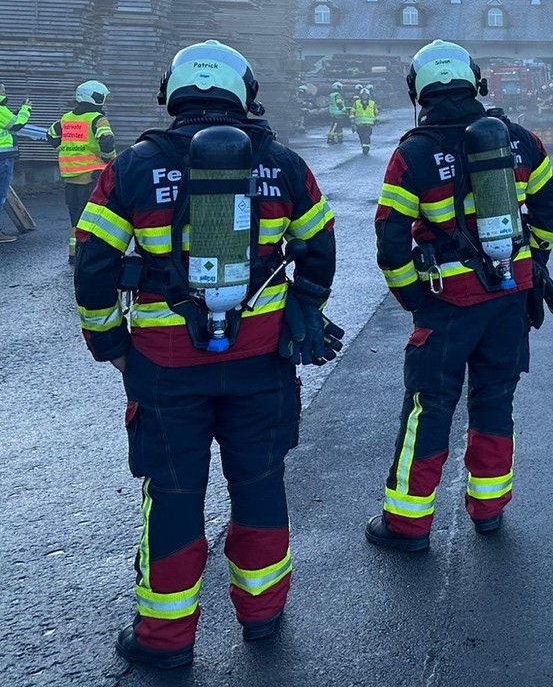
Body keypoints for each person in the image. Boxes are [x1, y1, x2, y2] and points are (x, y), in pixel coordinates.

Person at [73, 40, 341, 669]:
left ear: (172, 93)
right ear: (244, 94)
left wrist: (111, 345)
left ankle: (164, 640)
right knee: (260, 482)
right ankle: (263, 615)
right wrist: (303, 304)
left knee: (171, 492)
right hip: (261, 363)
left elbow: (93, 265)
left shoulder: (133, 167)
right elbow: (320, 245)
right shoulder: (283, 163)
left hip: (165, 367)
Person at [366, 40, 553, 550]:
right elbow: (550, 206)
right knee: (495, 399)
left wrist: (414, 298)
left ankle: (407, 525)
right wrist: (535, 260)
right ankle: (489, 510)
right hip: (510, 297)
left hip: (448, 304)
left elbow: (390, 237)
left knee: (429, 407)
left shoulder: (413, 154)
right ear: (477, 83)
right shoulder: (519, 140)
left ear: (418, 92)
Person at [47, 81, 116, 263]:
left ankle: (74, 253)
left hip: (70, 177)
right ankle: (90, 254)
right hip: (92, 175)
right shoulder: (98, 119)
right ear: (96, 98)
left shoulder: (66, 118)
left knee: (75, 217)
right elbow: (107, 141)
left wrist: (64, 148)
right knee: (94, 217)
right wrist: (109, 159)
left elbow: (51, 135)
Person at [0, 81, 31, 245]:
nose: (5, 92)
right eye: (2, 90)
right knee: (1, 194)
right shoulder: (0, 108)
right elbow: (17, 124)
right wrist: (26, 109)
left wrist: (16, 113)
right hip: (3, 156)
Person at [352, 85, 379, 155]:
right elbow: (352, 112)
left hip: (368, 124)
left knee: (367, 136)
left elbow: (376, 112)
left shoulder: (372, 103)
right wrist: (352, 122)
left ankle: (366, 149)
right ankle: (363, 146)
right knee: (361, 137)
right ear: (361, 96)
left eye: (366, 95)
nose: (364, 96)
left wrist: (377, 120)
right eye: (363, 95)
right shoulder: (356, 103)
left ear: (368, 96)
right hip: (359, 124)